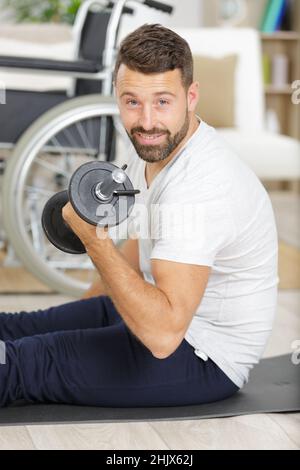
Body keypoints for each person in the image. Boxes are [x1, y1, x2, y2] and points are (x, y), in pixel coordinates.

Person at [0, 24, 278, 408]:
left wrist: (93, 239)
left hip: (198, 354)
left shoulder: (200, 187)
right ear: (118, 97)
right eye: (132, 102)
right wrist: (82, 320)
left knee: (19, 363)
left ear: (191, 96)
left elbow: (164, 336)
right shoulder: (152, 150)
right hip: (151, 317)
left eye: (163, 101)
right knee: (12, 329)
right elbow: (138, 248)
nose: (147, 121)